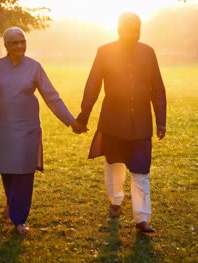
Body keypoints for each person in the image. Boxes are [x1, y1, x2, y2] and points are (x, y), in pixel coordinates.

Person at [0, 27, 86, 235]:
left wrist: (72, 121)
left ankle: (19, 219)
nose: (20, 46)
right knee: (7, 172)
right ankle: (11, 205)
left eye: (23, 41)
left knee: (24, 175)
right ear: (6, 46)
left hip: (28, 131)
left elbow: (52, 97)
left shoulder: (34, 67)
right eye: (15, 43)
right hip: (4, 130)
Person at [75, 12, 167, 233]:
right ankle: (115, 201)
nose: (134, 34)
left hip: (142, 122)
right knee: (114, 163)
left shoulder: (148, 52)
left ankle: (142, 219)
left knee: (141, 170)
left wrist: (161, 121)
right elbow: (93, 86)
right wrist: (83, 116)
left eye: (137, 30)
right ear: (118, 29)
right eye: (129, 30)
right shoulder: (105, 51)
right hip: (113, 121)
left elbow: (158, 88)